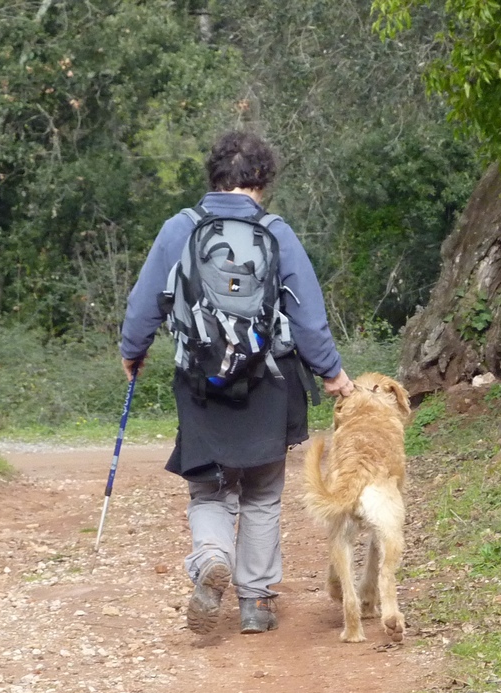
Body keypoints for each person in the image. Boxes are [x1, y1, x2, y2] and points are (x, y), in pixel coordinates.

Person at [119, 131, 355, 635]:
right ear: (262, 179)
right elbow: (308, 317)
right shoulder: (277, 233)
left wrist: (132, 351)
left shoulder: (180, 228)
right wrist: (332, 373)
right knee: (262, 493)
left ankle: (211, 556)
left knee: (210, 491)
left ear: (214, 176)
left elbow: (145, 304)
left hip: (201, 383)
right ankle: (257, 603)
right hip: (269, 384)